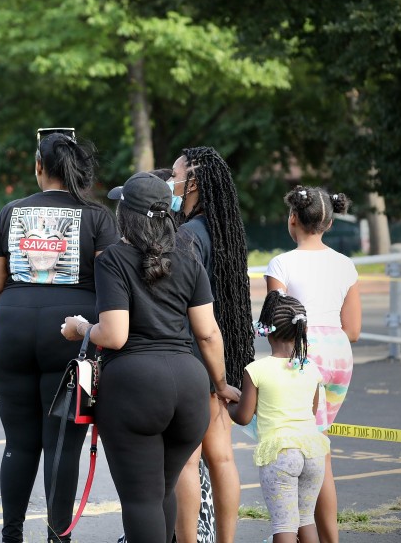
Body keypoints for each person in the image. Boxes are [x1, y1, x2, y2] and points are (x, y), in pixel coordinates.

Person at [62, 172, 241, 543]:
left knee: (141, 499)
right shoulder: (188, 258)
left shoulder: (114, 259)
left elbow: (114, 334)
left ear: (126, 214)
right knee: (163, 488)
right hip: (190, 387)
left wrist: (80, 328)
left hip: (135, 387)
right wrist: (221, 384)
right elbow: (208, 332)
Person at [0, 129, 118, 543]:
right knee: (63, 444)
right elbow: (110, 284)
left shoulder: (9, 213)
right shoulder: (97, 217)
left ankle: (11, 535)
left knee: (19, 443)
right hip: (70, 332)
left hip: (12, 326)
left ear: (39, 167)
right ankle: (58, 537)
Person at [166, 147, 256, 543]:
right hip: (223, 357)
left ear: (194, 182)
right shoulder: (225, 231)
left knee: (187, 461)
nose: (171, 182)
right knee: (221, 457)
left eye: (175, 175)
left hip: (194, 355)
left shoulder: (187, 236)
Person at [264, 186, 360, 543]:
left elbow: (278, 322)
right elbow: (353, 329)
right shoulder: (345, 264)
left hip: (304, 353)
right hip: (338, 355)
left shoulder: (282, 263)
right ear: (330, 221)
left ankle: (302, 533)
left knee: (306, 453)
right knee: (319, 446)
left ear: (293, 218)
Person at [228, 291, 331, 543]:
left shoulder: (256, 370)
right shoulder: (311, 369)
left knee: (284, 524)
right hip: (313, 452)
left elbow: (243, 416)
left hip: (280, 454)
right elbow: (312, 411)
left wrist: (228, 403)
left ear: (268, 331)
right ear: (301, 331)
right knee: (306, 519)